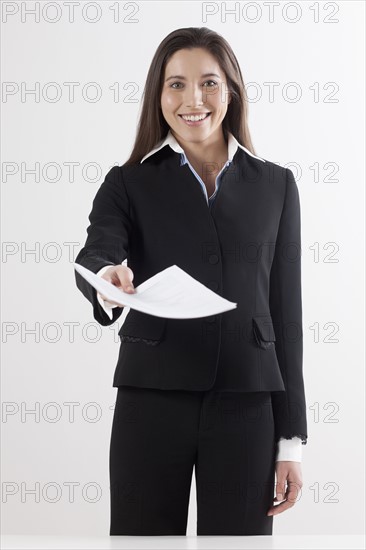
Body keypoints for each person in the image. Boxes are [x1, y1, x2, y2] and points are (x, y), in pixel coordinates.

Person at [74, 27, 308, 536]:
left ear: (231, 92)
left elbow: (287, 313)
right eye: (175, 84)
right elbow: (99, 249)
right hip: (151, 399)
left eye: (208, 83)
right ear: (158, 96)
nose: (192, 100)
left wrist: (291, 441)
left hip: (247, 402)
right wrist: (107, 277)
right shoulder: (128, 181)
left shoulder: (276, 185)